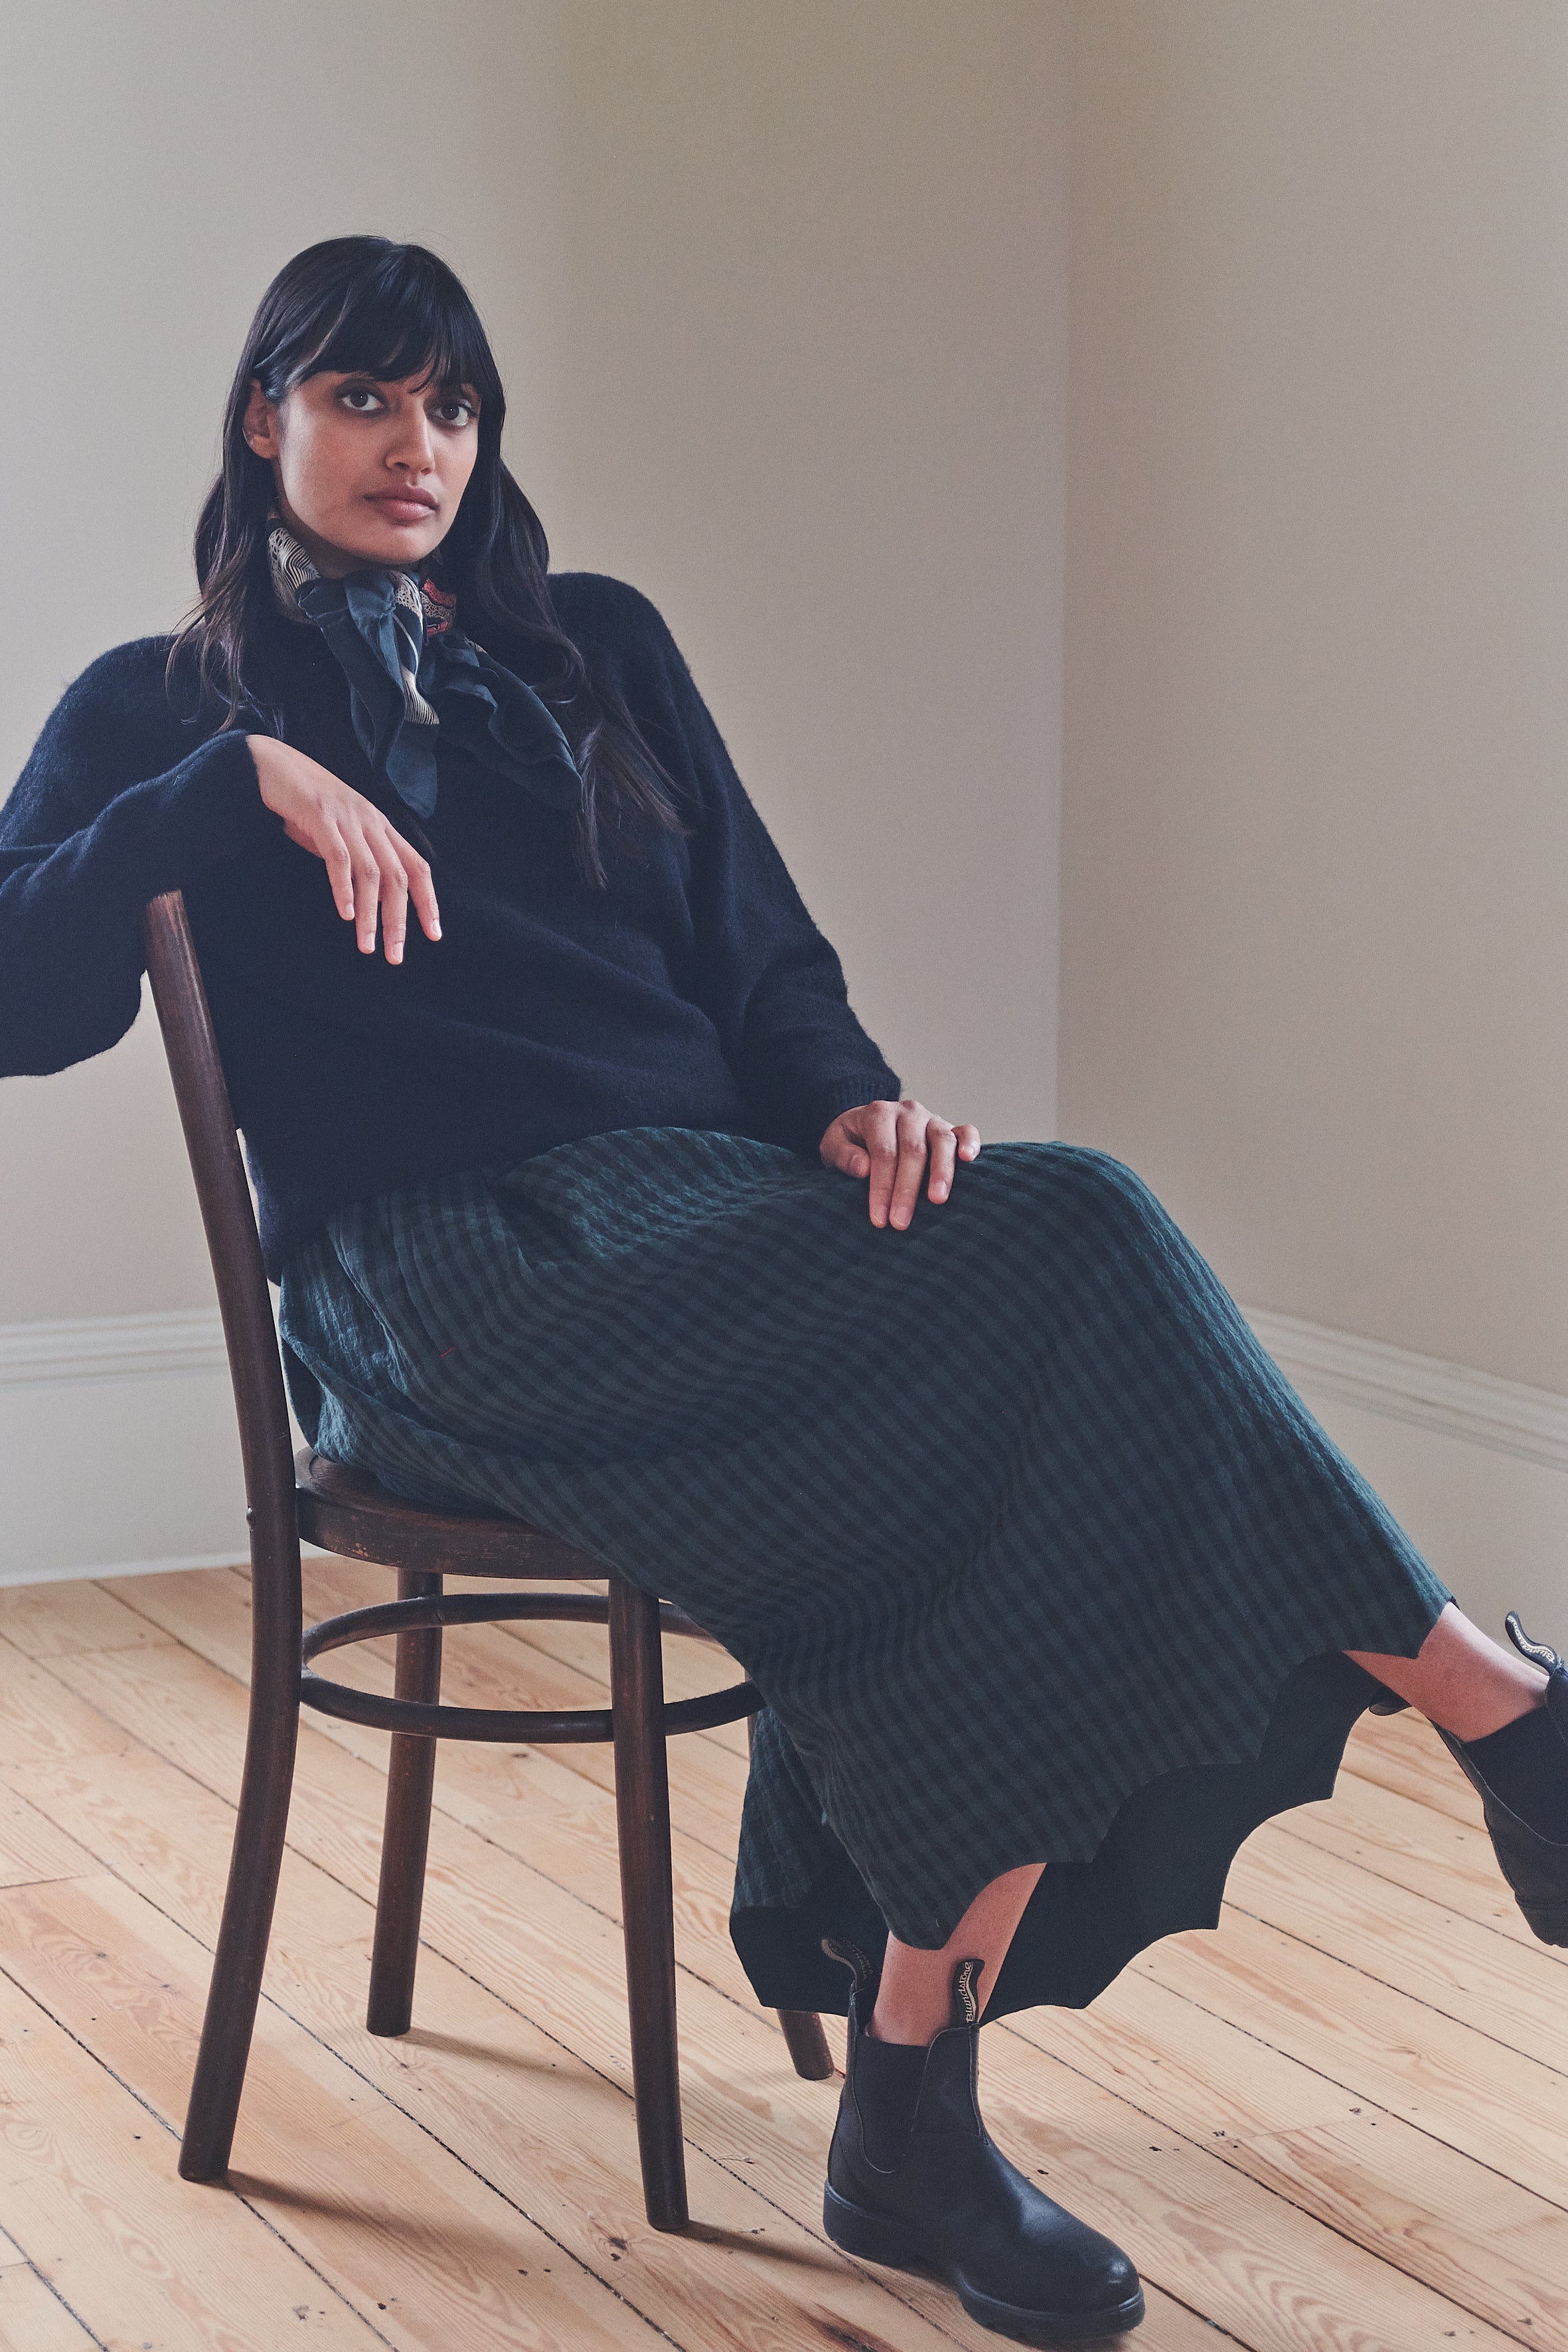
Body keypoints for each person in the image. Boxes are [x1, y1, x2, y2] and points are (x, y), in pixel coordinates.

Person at [2, 236, 1563, 2347]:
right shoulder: (159, 705)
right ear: (262, 414)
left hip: (701, 1218)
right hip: (446, 1284)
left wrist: (847, 1108)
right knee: (1072, 1274)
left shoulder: (598, 650)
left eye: (453, 404)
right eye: (363, 395)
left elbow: (762, 964)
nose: (415, 444)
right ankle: (1491, 1715)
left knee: (1050, 1278)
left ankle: (916, 2095)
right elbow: (17, 994)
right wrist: (227, 788)